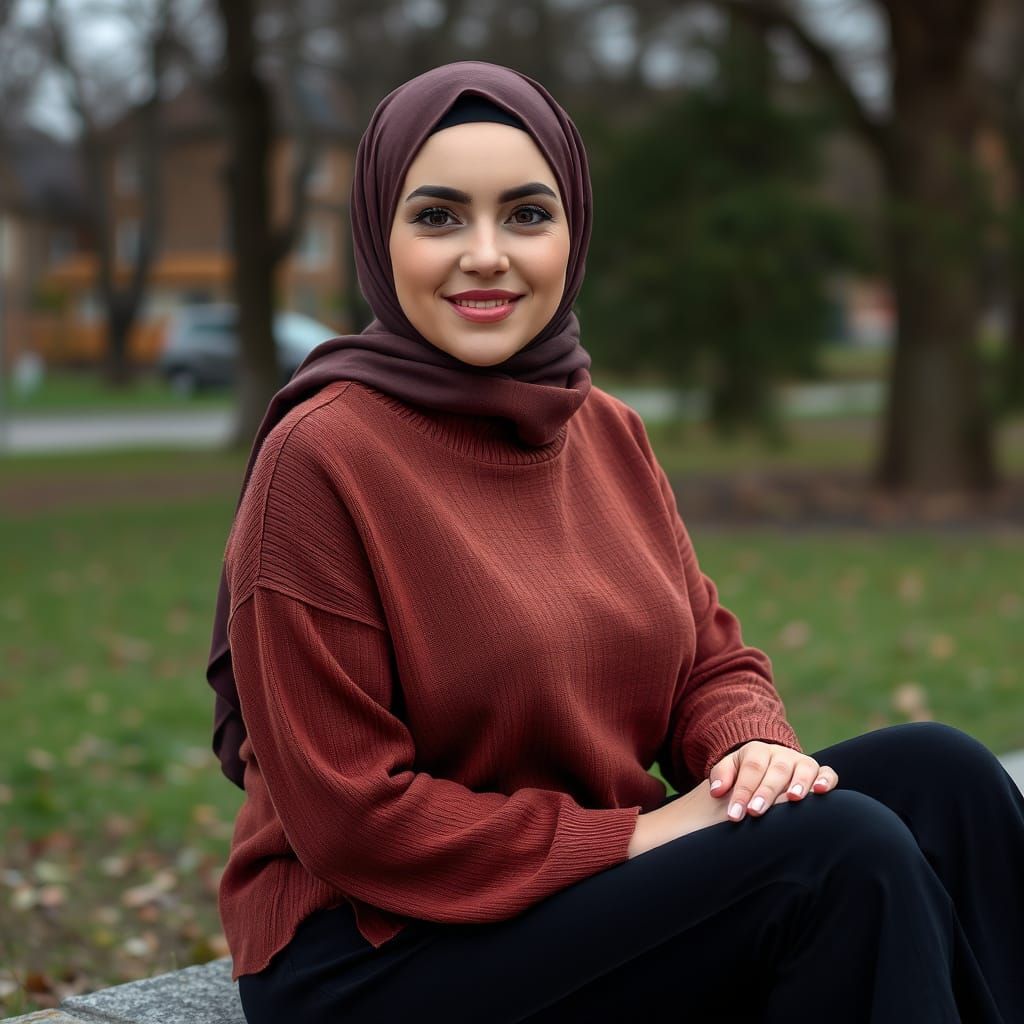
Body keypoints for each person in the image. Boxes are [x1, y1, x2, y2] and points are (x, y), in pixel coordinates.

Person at [205, 61, 1024, 1023]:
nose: (485, 254)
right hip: (376, 951)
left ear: (572, 230)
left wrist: (749, 750)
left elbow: (709, 663)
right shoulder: (323, 457)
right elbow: (356, 822)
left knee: (943, 777)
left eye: (525, 214)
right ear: (379, 237)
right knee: (835, 856)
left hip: (568, 894)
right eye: (438, 217)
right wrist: (649, 834)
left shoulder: (602, 428)